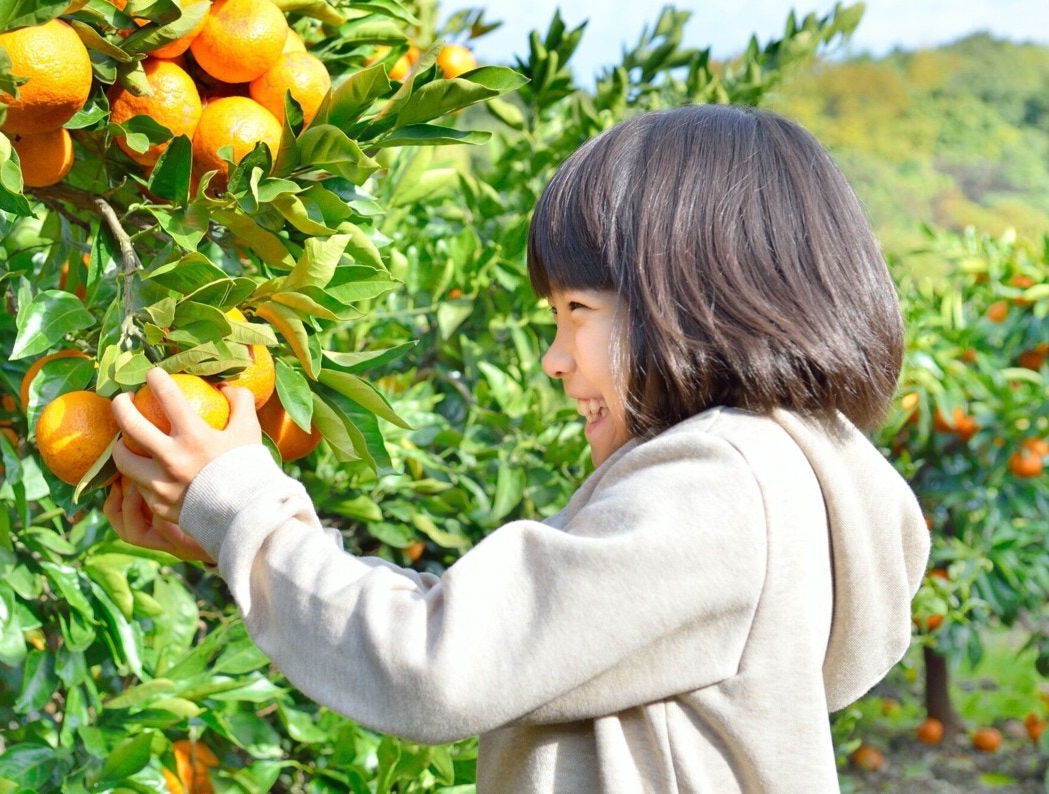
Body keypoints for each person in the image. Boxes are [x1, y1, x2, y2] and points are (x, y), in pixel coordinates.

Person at [105, 104, 930, 792]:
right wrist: (240, 541)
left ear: (702, 296)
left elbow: (432, 664)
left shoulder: (723, 482)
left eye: (577, 311)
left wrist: (248, 507)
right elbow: (478, 633)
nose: (556, 357)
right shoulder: (774, 479)